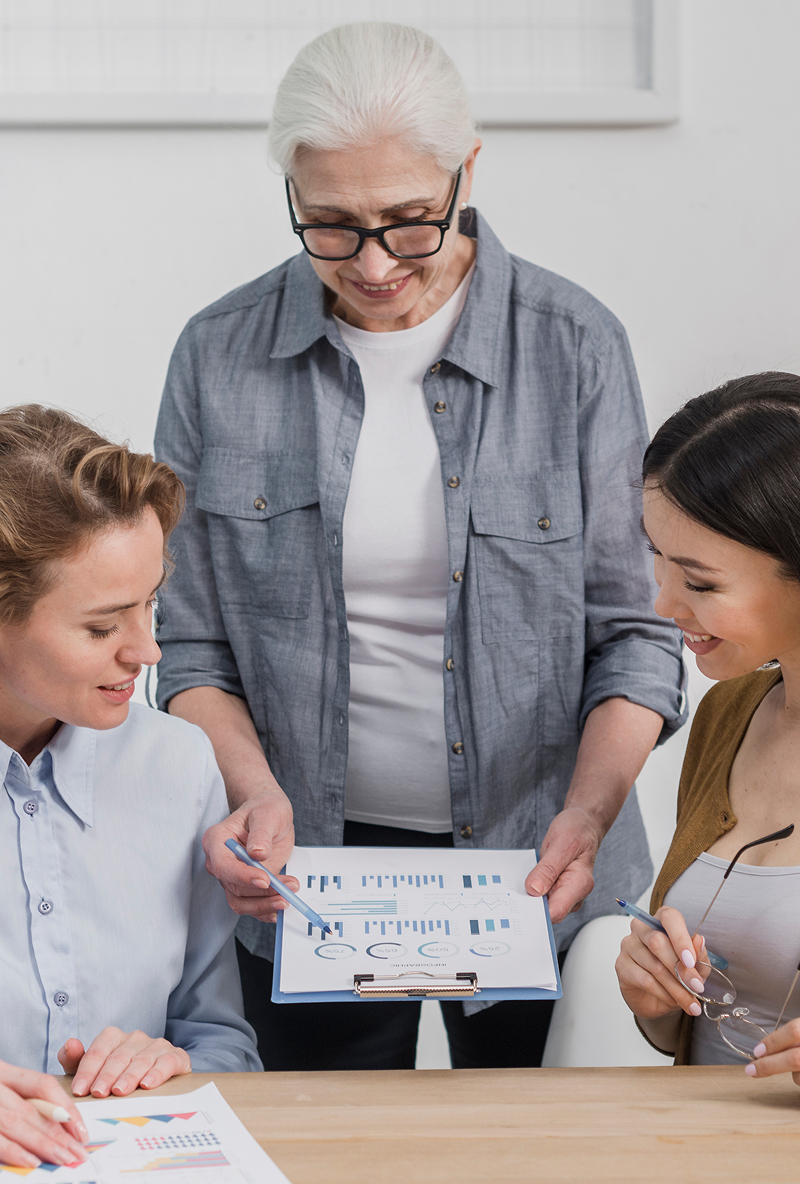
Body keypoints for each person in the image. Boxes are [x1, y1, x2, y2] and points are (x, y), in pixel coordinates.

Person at [155, 21, 685, 1071]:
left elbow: (634, 628)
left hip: (543, 857)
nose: (372, 262)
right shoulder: (218, 355)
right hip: (311, 870)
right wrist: (253, 791)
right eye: (331, 226)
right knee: (330, 1150)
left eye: (407, 221)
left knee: (553, 1155)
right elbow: (189, 641)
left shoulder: (573, 346)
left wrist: (588, 806)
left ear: (464, 172)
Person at [0, 406, 260, 1170]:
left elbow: (222, 1041)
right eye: (102, 626)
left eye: (151, 603)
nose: (148, 650)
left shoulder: (179, 765)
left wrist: (174, 1062)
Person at [616, 371, 800, 1083]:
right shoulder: (730, 713)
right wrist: (655, 997)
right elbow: (698, 1023)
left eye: (699, 583)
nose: (662, 604)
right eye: (656, 560)